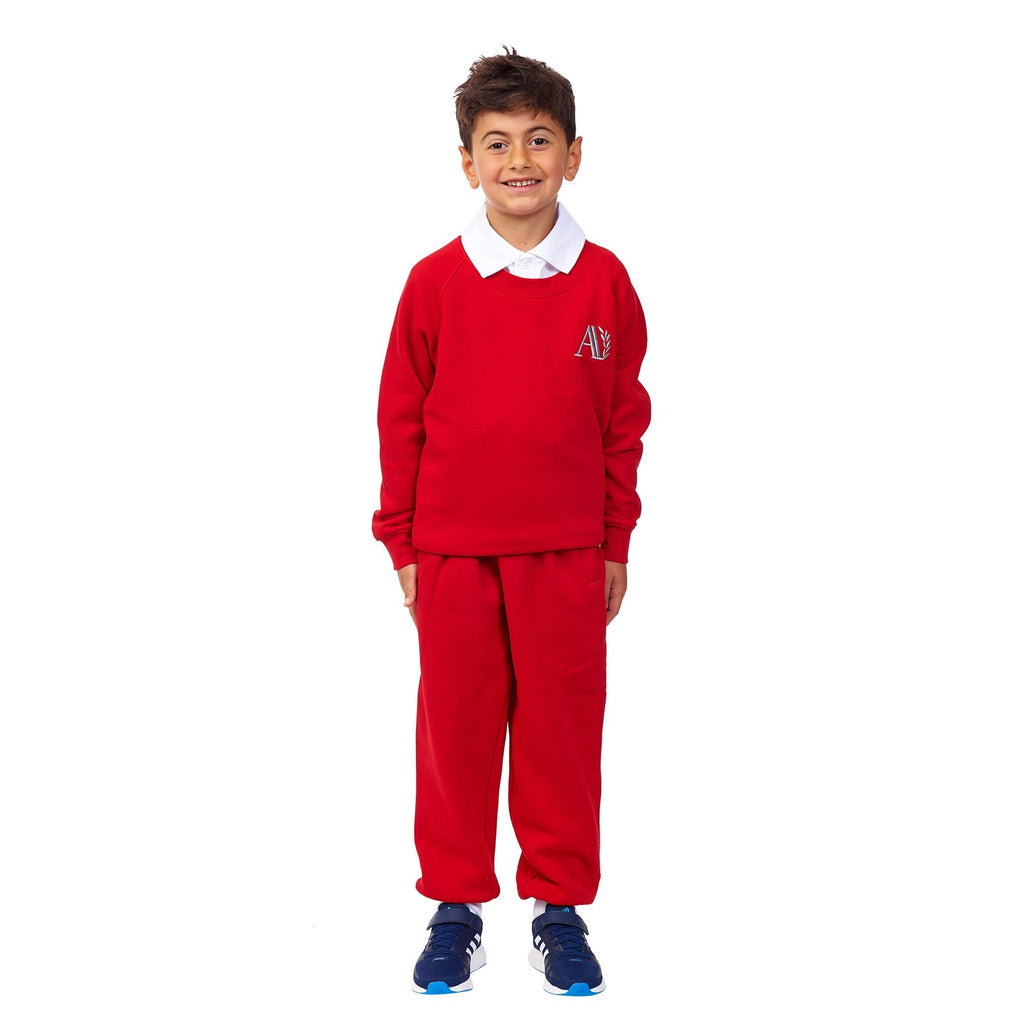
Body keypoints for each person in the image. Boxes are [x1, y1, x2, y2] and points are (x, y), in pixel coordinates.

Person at [371, 46, 651, 997]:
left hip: (566, 555)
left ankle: (558, 910)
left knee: (561, 739)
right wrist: (402, 541)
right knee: (453, 736)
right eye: (497, 143)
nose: (519, 160)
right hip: (453, 555)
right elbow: (400, 419)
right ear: (468, 163)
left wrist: (615, 541)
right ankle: (456, 909)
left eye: (539, 139)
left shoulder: (604, 283)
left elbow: (622, 424)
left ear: (574, 154)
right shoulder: (434, 283)